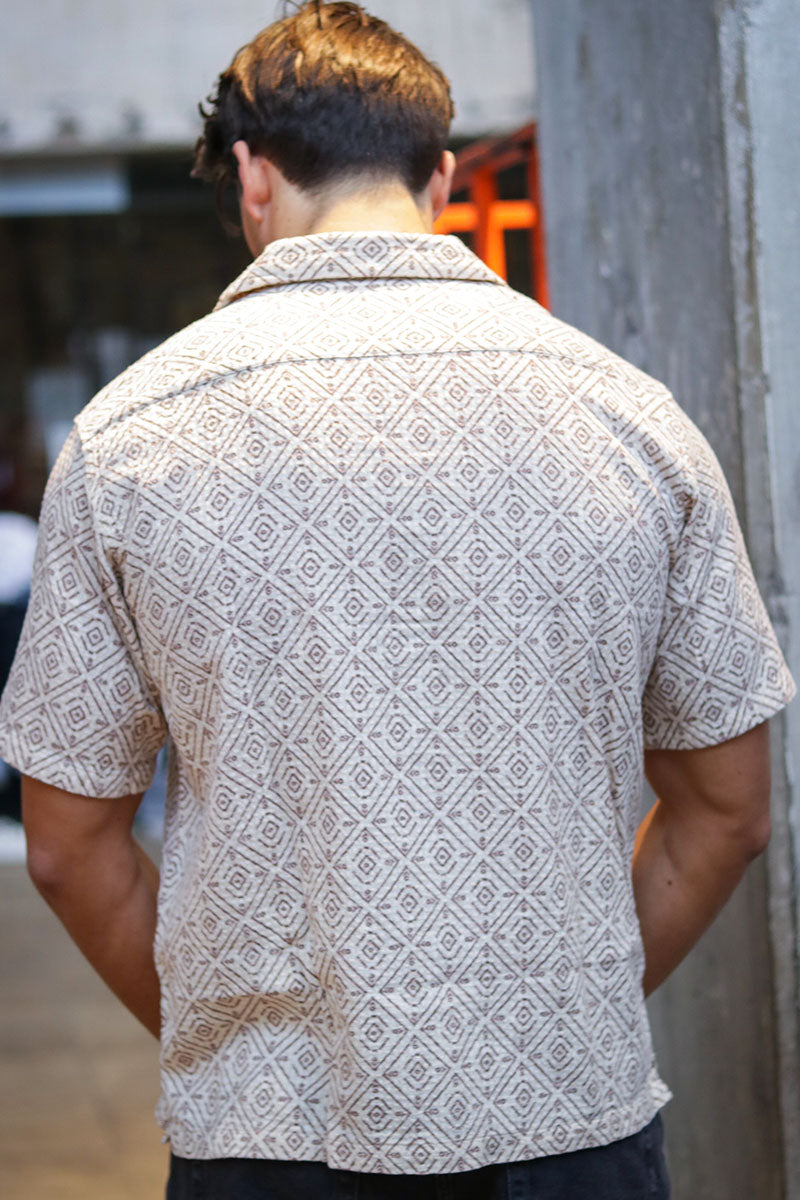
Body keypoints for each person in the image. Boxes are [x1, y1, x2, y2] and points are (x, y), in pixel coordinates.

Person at [0, 3, 794, 1197]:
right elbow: (727, 808)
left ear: (251, 176)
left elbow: (65, 848)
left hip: (269, 1142)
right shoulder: (630, 421)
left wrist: (234, 1046)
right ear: (440, 178)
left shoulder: (129, 442)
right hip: (567, 1125)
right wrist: (561, 1013)